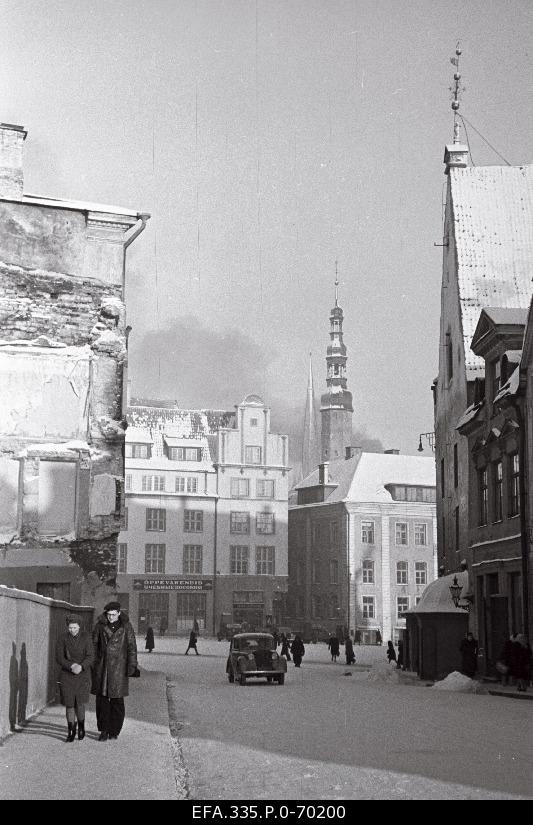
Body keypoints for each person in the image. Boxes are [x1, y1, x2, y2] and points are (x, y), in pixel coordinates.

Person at [91, 601, 139, 742]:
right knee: (102, 701)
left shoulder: (126, 626)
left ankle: (114, 730)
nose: (111, 617)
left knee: (117, 701)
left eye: (113, 614)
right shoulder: (100, 626)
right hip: (103, 667)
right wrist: (94, 664)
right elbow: (93, 645)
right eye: (108, 614)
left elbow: (132, 647)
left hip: (119, 667)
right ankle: (104, 730)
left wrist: (132, 665)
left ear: (119, 613)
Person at [56, 616, 94, 742]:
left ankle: (81, 727)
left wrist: (81, 666)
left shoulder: (86, 638)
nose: (72, 630)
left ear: (79, 626)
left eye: (74, 627)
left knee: (80, 702)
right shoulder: (62, 638)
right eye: (70, 627)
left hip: (83, 675)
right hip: (67, 675)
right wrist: (71, 665)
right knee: (69, 703)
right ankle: (71, 730)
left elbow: (90, 656)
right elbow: (59, 657)